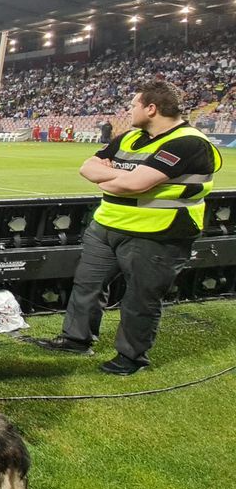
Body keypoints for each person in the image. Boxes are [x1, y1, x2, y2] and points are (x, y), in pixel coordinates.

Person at [35, 80, 222, 375]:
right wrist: (117, 180)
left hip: (159, 233)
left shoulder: (188, 142)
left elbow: (135, 183)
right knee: (87, 286)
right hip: (107, 225)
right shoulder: (130, 137)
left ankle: (131, 357)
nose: (128, 110)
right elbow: (87, 167)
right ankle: (76, 339)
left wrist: (110, 178)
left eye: (133, 105)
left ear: (151, 108)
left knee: (140, 298)